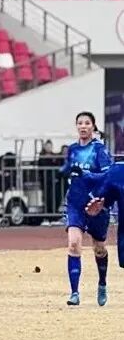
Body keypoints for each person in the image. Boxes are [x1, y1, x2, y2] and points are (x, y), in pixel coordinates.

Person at [61, 112, 113, 306]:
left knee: (99, 248)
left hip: (96, 204)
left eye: (87, 123)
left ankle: (102, 283)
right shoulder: (72, 149)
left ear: (93, 126)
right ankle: (74, 293)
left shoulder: (99, 150)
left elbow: (108, 175)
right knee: (74, 244)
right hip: (75, 203)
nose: (83, 126)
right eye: (80, 123)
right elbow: (68, 169)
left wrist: (87, 174)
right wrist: (64, 171)